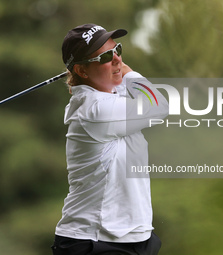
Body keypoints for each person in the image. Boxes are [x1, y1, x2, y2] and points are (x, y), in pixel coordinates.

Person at [52, 23, 169, 255]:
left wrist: (116, 69)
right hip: (95, 241)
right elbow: (158, 105)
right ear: (82, 71)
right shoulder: (95, 109)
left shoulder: (110, 95)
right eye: (105, 56)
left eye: (117, 50)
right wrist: (127, 71)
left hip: (134, 237)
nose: (117, 59)